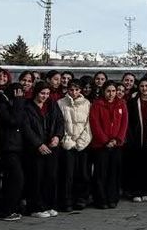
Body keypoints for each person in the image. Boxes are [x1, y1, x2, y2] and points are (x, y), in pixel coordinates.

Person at [20, 82, 64, 218]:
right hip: (35, 148)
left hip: (51, 146)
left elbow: (60, 122)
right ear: (36, 93)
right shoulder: (27, 106)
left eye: (47, 93)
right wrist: (38, 144)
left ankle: (49, 204)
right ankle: (35, 207)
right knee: (36, 177)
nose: (44, 96)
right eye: (42, 93)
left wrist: (57, 136)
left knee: (50, 176)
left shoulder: (52, 104)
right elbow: (26, 128)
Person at [0, 68, 25, 221]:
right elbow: (14, 121)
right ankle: (5, 209)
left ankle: (9, 207)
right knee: (14, 178)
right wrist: (18, 102)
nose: (20, 94)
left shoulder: (7, 100)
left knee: (12, 179)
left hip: (14, 145)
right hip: (7, 146)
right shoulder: (1, 101)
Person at [58, 82, 93, 211]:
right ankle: (67, 200)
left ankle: (81, 198)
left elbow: (88, 124)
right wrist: (68, 141)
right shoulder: (61, 103)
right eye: (71, 89)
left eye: (77, 89)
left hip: (82, 143)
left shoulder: (87, 103)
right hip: (67, 143)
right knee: (68, 174)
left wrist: (81, 142)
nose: (74, 92)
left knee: (82, 172)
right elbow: (60, 123)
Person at [125, 79, 147, 203]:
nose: (144, 88)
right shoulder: (133, 102)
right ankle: (136, 191)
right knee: (136, 165)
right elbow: (129, 121)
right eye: (142, 86)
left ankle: (146, 190)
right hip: (137, 138)